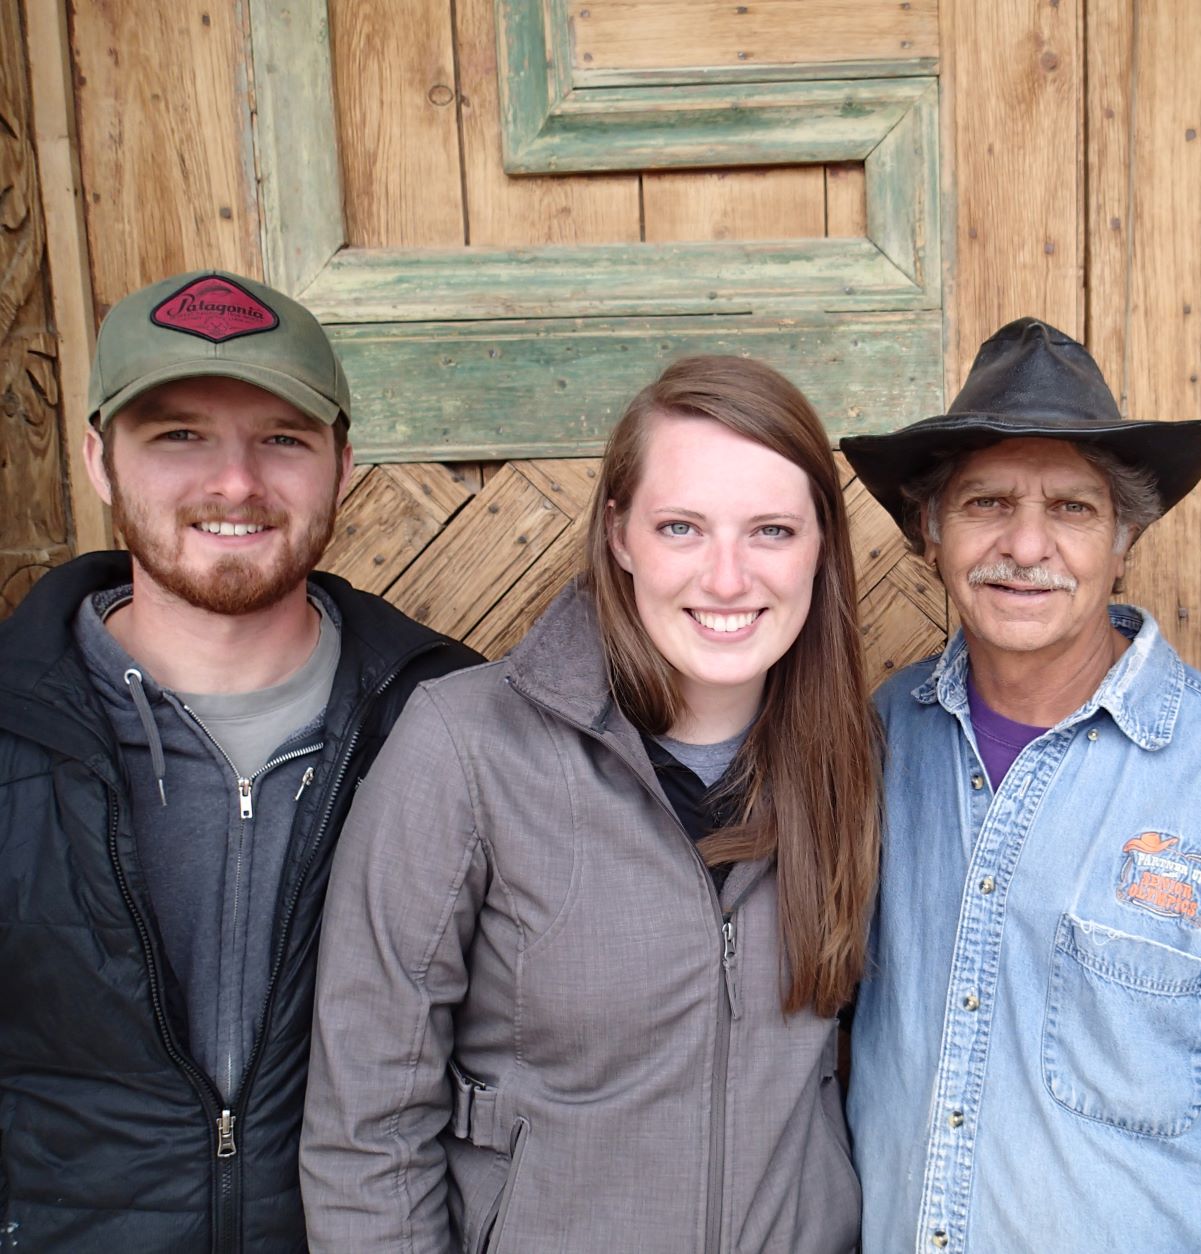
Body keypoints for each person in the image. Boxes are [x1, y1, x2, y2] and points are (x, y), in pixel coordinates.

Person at [300, 355, 880, 1252]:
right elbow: (367, 1123)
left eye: (771, 530)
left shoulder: (857, 759)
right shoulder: (465, 748)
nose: (727, 579)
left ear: (820, 545)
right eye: (681, 527)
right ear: (620, 536)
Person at [839, 317, 1201, 1252]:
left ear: (1125, 539)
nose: (1028, 545)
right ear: (931, 532)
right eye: (986, 504)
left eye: (1074, 510)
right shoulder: (883, 739)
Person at [0, 269, 479, 1250]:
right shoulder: (12, 728)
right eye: (179, 434)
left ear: (344, 464)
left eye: (282, 439)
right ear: (99, 460)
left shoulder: (454, 724)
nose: (235, 482)